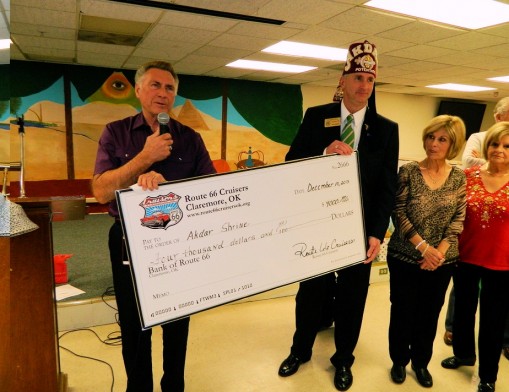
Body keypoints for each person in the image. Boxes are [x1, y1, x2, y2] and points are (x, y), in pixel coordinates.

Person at [277, 40, 399, 391]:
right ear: (342, 81)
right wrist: (322, 151)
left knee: (352, 297)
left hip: (359, 230)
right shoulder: (317, 117)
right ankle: (299, 351)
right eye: (358, 78)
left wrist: (378, 232)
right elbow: (291, 164)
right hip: (316, 226)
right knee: (310, 292)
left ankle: (343, 359)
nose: (363, 86)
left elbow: (386, 188)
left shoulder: (386, 129)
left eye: (370, 80)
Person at [91, 61, 216, 392]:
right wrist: (144, 159)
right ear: (138, 90)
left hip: (178, 240)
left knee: (177, 320)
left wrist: (167, 191)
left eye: (170, 87)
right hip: (128, 240)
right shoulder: (115, 132)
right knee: (134, 324)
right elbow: (101, 190)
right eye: (156, 85)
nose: (163, 93)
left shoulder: (190, 139)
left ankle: (173, 385)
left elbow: (212, 193)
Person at [387, 115, 466, 388]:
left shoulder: (458, 176)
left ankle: (421, 363)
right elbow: (398, 212)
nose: (433, 144)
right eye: (430, 137)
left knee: (429, 314)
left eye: (441, 139)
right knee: (402, 311)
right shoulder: (408, 172)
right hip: (404, 256)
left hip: (442, 262)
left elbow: (458, 218)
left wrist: (438, 253)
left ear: (452, 144)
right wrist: (423, 247)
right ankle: (399, 360)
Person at [441, 122, 509, 392]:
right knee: (463, 312)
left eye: (507, 146)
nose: (499, 151)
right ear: (485, 146)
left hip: (502, 263)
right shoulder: (467, 175)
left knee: (493, 320)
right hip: (465, 256)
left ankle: (488, 375)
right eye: (494, 144)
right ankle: (463, 354)